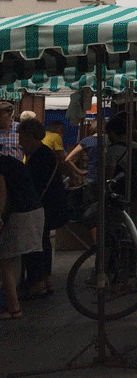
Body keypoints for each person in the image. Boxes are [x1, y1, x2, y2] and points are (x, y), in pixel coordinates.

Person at [18, 118, 68, 300]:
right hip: (50, 206)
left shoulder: (40, 157)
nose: (19, 142)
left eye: (21, 137)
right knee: (43, 242)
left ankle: (38, 282)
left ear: (30, 136)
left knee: (35, 244)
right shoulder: (44, 154)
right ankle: (46, 280)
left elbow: (34, 185)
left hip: (41, 207)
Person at [0, 153, 44, 320]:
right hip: (35, 210)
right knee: (13, 259)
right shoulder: (10, 162)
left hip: (20, 215)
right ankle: (12, 300)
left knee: (5, 260)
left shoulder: (1, 166)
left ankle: (13, 308)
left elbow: (2, 195)